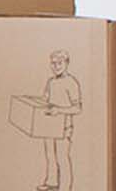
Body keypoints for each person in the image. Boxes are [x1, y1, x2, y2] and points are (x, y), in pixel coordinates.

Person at [39, 49, 81, 191]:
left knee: (62, 158)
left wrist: (59, 110)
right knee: (50, 156)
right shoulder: (50, 82)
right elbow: (44, 100)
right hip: (48, 126)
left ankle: (65, 188)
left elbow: (77, 108)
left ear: (67, 63)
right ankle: (51, 183)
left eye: (59, 63)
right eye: (53, 63)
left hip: (64, 127)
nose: (56, 66)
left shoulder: (71, 82)